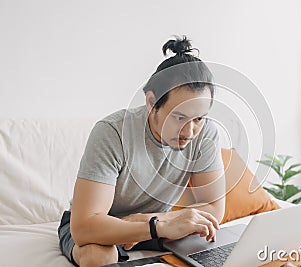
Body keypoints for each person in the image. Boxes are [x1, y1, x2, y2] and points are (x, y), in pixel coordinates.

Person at [57, 36, 226, 267]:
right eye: (179, 117)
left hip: (161, 224)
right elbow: (85, 226)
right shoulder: (112, 132)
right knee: (98, 257)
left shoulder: (206, 133)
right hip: (103, 226)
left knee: (211, 242)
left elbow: (214, 209)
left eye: (199, 118)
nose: (190, 130)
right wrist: (157, 226)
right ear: (151, 102)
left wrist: (149, 221)